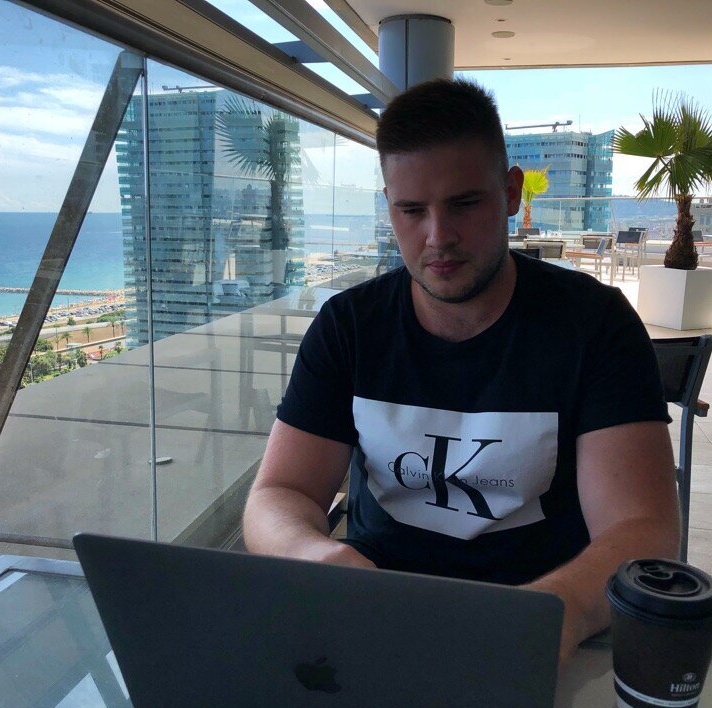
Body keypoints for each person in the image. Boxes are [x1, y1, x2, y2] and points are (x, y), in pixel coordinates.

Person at [243, 78, 679, 663]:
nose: (438, 237)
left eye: (465, 204)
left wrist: (557, 612)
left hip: (540, 624)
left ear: (511, 193)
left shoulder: (594, 326)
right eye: (411, 210)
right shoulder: (350, 327)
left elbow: (642, 529)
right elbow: (280, 494)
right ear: (389, 206)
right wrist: (314, 557)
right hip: (374, 620)